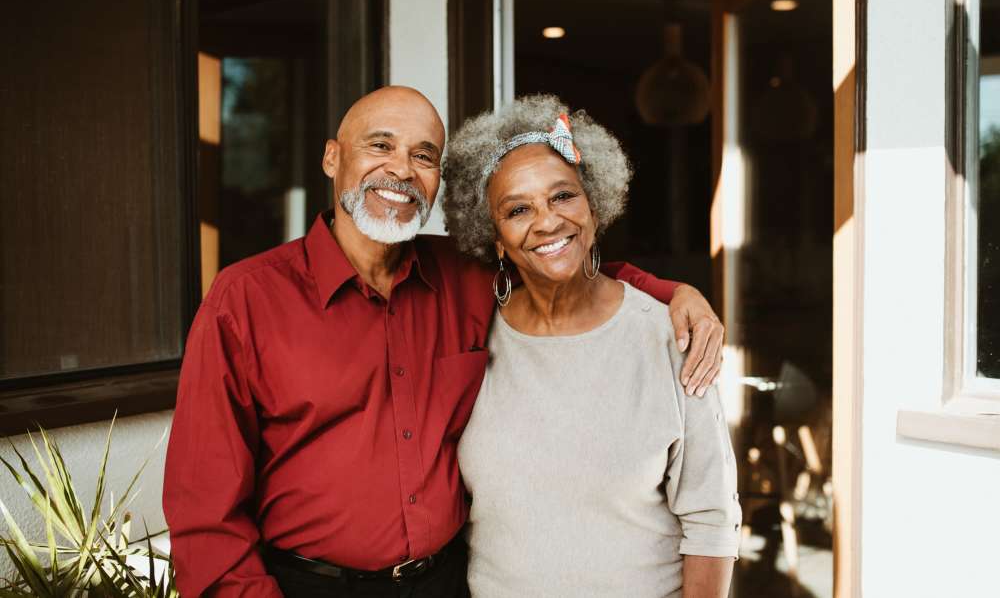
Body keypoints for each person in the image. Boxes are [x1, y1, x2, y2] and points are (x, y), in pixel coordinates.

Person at [163, 86, 725, 598]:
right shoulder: (245, 300)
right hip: (308, 587)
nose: (401, 170)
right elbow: (204, 509)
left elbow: (560, 264)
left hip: (446, 585)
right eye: (379, 145)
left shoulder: (465, 277)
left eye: (424, 156)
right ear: (333, 157)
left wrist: (675, 293)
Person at [443, 95, 739, 598]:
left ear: (594, 206)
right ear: (496, 239)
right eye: (518, 209)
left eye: (563, 196)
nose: (547, 221)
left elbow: (711, 518)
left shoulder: (669, 335)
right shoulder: (471, 335)